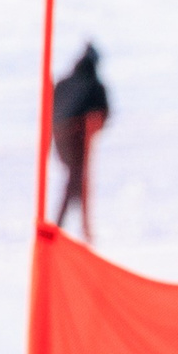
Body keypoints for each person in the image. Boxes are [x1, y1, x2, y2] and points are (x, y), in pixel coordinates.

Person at [51, 43, 110, 240]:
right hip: (77, 140)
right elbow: (104, 115)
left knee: (75, 180)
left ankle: (69, 227)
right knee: (77, 180)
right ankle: (73, 228)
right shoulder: (95, 86)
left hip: (61, 140)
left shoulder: (64, 83)